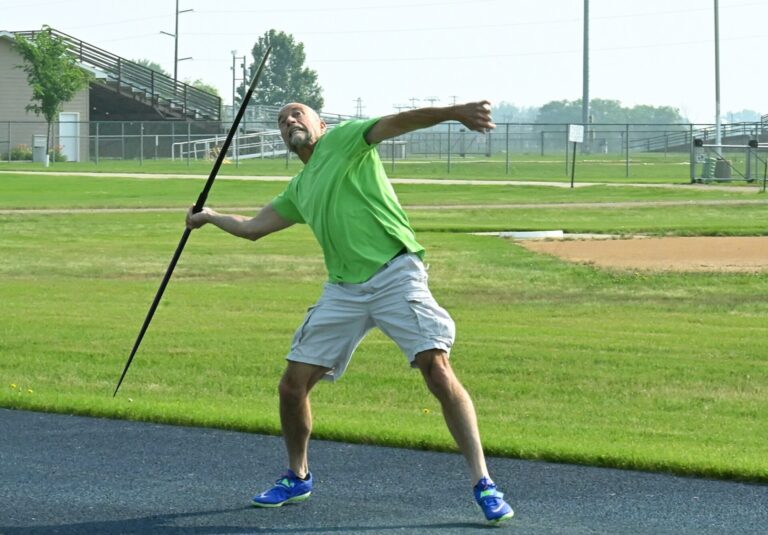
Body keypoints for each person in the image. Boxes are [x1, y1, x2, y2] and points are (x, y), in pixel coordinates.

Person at [186, 101, 514, 525]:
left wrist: (455, 113)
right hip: (344, 291)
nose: (289, 122)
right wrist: (209, 217)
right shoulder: (300, 188)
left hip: (396, 274)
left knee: (437, 369)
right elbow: (252, 229)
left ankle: (484, 483)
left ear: (319, 124)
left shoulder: (345, 141)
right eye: (282, 121)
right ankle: (297, 476)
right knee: (292, 386)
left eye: (297, 115)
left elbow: (400, 121)